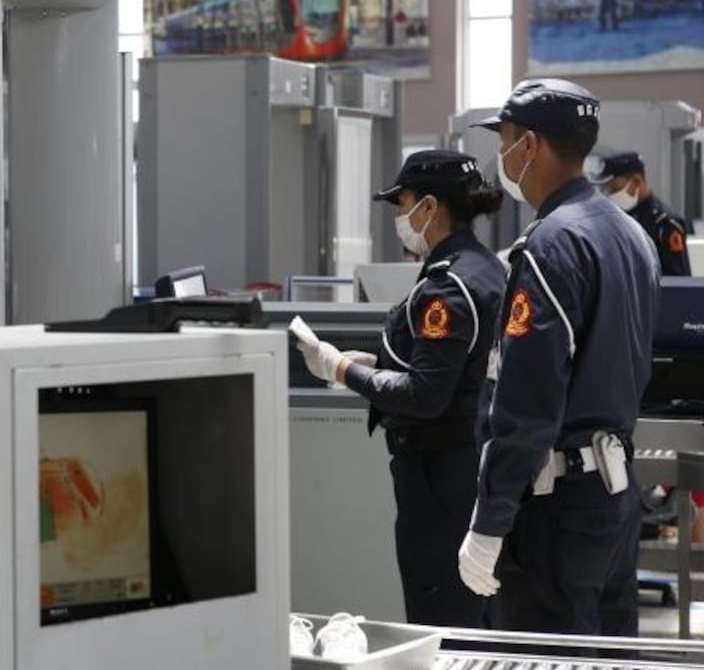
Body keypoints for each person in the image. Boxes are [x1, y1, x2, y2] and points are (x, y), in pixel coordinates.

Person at [457, 79, 660, 637]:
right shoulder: (630, 235)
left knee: (546, 651)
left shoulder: (552, 245)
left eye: (506, 140)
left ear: (533, 146)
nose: (501, 155)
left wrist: (491, 520)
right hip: (614, 499)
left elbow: (528, 396)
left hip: (557, 509)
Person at [290, 150, 507, 627]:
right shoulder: (486, 267)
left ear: (429, 207)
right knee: (476, 619)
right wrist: (381, 364)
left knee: (443, 618)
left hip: (440, 479)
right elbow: (454, 367)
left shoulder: (447, 287)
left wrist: (341, 367)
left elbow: (424, 396)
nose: (397, 216)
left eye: (401, 202)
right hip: (470, 467)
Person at [590, 151, 692, 276]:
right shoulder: (616, 218)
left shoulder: (665, 223)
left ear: (636, 182)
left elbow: (678, 280)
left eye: (614, 189)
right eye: (606, 190)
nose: (610, 195)